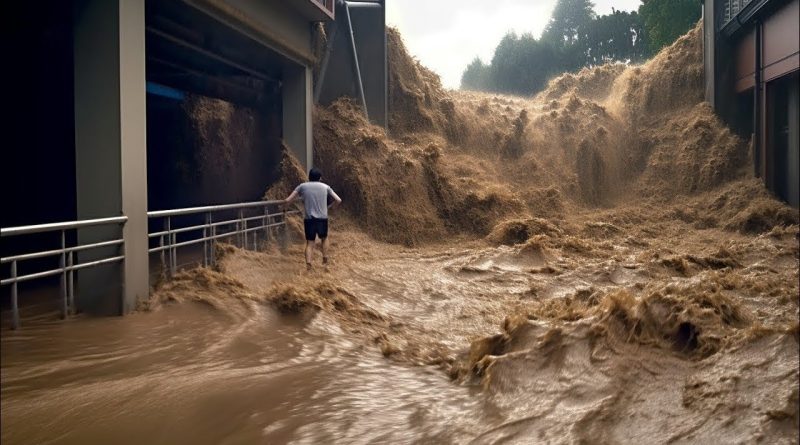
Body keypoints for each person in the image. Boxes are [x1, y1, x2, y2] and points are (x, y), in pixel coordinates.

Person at [283, 167, 342, 270]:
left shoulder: (302, 186)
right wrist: (331, 207)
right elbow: (338, 200)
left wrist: (285, 210)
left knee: (310, 243)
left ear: (309, 177)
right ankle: (325, 258)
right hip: (322, 219)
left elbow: (287, 200)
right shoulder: (325, 187)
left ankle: (309, 265)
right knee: (324, 239)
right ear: (320, 178)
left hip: (309, 219)